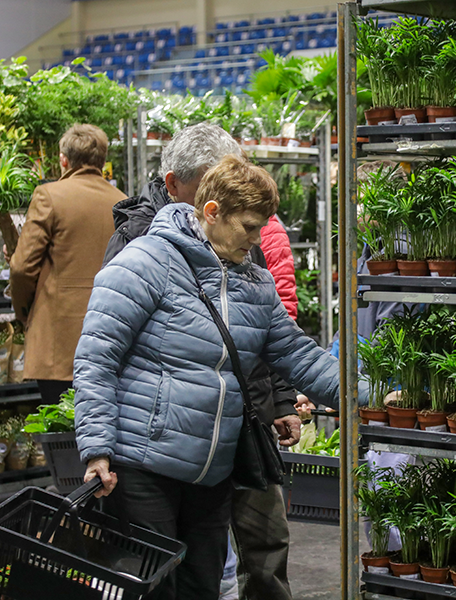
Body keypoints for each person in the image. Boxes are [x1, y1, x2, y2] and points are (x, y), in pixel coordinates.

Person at [74, 155, 357, 600]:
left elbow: (299, 356)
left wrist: (370, 395)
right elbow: (96, 357)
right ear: (211, 213)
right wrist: (97, 448)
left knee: (202, 588)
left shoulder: (256, 284)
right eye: (248, 226)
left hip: (212, 474)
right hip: (144, 466)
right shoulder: (148, 261)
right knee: (154, 589)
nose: (256, 238)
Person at [102, 122, 301, 600]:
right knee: (166, 573)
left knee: (253, 549)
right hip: (159, 446)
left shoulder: (246, 240)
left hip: (237, 426)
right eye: (211, 188)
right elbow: (101, 354)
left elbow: (276, 331)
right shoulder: (140, 246)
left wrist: (281, 399)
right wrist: (100, 445)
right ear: (178, 187)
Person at [9, 124, 125, 404]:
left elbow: (22, 268)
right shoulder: (123, 203)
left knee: (60, 432)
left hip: (58, 344)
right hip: (112, 339)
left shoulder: (49, 196)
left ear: (63, 160)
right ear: (103, 161)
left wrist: (26, 314)